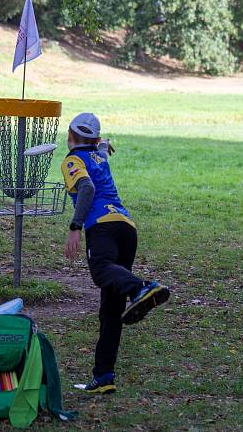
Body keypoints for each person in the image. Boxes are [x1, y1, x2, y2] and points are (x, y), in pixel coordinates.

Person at [61, 112, 170, 394]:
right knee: (111, 308)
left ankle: (143, 287)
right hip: (126, 228)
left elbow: (86, 188)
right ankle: (103, 377)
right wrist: (102, 145)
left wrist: (75, 226)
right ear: (94, 139)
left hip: (102, 228)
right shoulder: (97, 155)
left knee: (100, 270)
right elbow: (99, 151)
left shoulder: (72, 160)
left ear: (70, 137)